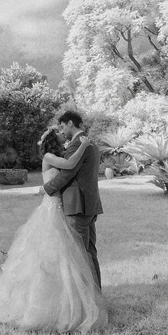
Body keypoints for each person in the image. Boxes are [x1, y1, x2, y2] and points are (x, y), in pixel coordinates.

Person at [0, 127, 107, 333]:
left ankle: (75, 298)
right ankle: (59, 301)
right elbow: (70, 165)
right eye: (59, 136)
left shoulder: (57, 155)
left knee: (65, 256)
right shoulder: (50, 157)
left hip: (60, 208)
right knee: (55, 255)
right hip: (52, 208)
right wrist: (83, 145)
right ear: (52, 142)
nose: (63, 137)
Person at [42, 110, 103, 288]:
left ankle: (87, 303)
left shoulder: (77, 145)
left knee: (79, 255)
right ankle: (95, 296)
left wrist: (45, 188)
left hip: (77, 206)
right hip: (89, 205)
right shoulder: (89, 143)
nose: (62, 131)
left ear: (70, 123)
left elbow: (66, 174)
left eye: (62, 126)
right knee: (89, 253)